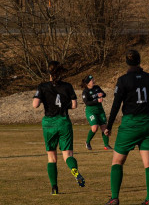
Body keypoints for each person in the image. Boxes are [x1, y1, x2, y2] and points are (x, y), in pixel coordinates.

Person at [104, 50, 149, 205]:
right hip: (148, 123)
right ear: (139, 60)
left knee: (117, 162)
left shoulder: (123, 80)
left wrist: (108, 126)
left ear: (126, 62)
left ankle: (114, 197)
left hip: (130, 124)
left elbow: (116, 104)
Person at [32, 61, 85, 195]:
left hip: (49, 123)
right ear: (60, 72)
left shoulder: (42, 86)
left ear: (49, 73)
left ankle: (54, 188)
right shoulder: (67, 86)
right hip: (63, 121)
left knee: (51, 157)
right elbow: (74, 105)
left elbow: (35, 105)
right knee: (67, 155)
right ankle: (74, 170)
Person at [81, 75, 112, 150]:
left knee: (104, 127)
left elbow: (104, 94)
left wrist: (102, 94)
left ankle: (106, 145)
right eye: (92, 80)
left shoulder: (97, 87)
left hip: (100, 110)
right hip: (91, 111)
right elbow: (87, 102)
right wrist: (96, 101)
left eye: (93, 79)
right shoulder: (85, 91)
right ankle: (87, 142)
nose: (93, 81)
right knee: (95, 128)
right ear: (88, 83)